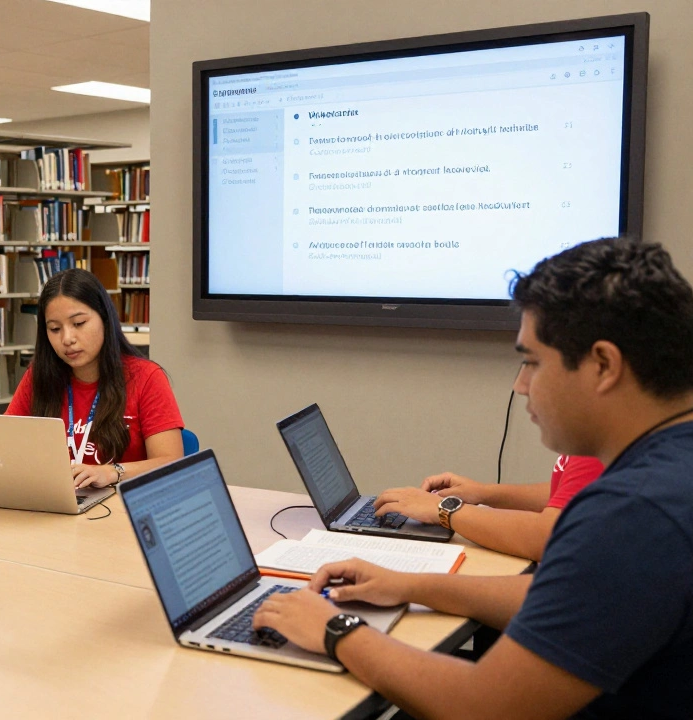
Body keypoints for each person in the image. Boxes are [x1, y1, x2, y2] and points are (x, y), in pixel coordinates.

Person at [253, 237, 693, 719]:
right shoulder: (668, 472)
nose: (520, 385)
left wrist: (337, 630)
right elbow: (567, 597)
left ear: (603, 365)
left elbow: (484, 705)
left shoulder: (634, 511)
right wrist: (410, 585)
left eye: (531, 362)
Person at [6, 268, 184, 488]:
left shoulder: (145, 378)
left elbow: (172, 464)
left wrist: (112, 472)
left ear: (104, 319)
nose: (67, 338)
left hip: (119, 509)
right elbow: (5, 447)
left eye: (79, 324)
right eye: (54, 329)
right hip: (54, 506)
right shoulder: (38, 377)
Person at [371, 454, 604, 560]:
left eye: (535, 364)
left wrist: (445, 509)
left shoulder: (599, 443)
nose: (521, 385)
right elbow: (569, 492)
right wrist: (485, 493)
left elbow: (544, 538)